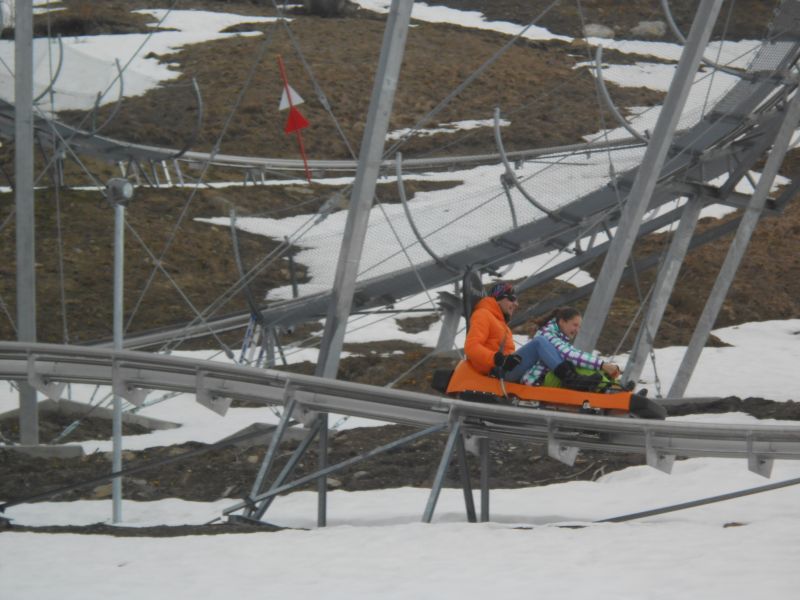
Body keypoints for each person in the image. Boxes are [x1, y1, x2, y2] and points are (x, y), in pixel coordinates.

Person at [462, 281, 563, 383]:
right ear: (497, 300)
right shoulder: (483, 314)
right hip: (498, 371)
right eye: (511, 299)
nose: (516, 304)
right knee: (539, 342)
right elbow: (471, 347)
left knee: (548, 350)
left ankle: (567, 375)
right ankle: (570, 377)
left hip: (506, 368)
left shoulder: (502, 324)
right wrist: (498, 360)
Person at [519, 306, 621, 390]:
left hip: (549, 377)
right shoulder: (547, 334)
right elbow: (569, 355)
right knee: (579, 366)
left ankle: (613, 385)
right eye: (575, 325)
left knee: (586, 365)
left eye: (579, 327)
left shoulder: (559, 337)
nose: (577, 330)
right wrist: (602, 365)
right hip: (537, 381)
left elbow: (577, 354)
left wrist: (604, 366)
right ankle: (609, 389)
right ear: (562, 322)